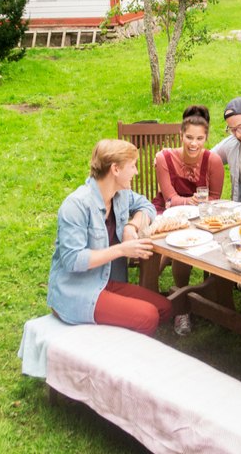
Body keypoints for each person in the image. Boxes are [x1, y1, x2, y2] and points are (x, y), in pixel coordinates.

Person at [47, 139, 172, 336]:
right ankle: (122, 361)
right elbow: (72, 260)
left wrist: (132, 226)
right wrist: (122, 250)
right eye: (132, 166)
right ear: (115, 169)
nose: (136, 172)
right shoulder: (76, 205)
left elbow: (147, 206)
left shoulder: (120, 195)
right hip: (78, 291)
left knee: (164, 307)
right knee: (148, 316)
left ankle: (113, 333)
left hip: (105, 282)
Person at [153, 105, 225, 211]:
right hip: (165, 212)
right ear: (181, 135)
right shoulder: (164, 158)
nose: (194, 144)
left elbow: (215, 199)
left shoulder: (214, 161)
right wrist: (190, 201)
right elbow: (170, 200)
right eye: (189, 137)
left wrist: (197, 203)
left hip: (200, 214)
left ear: (206, 138)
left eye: (199, 138)